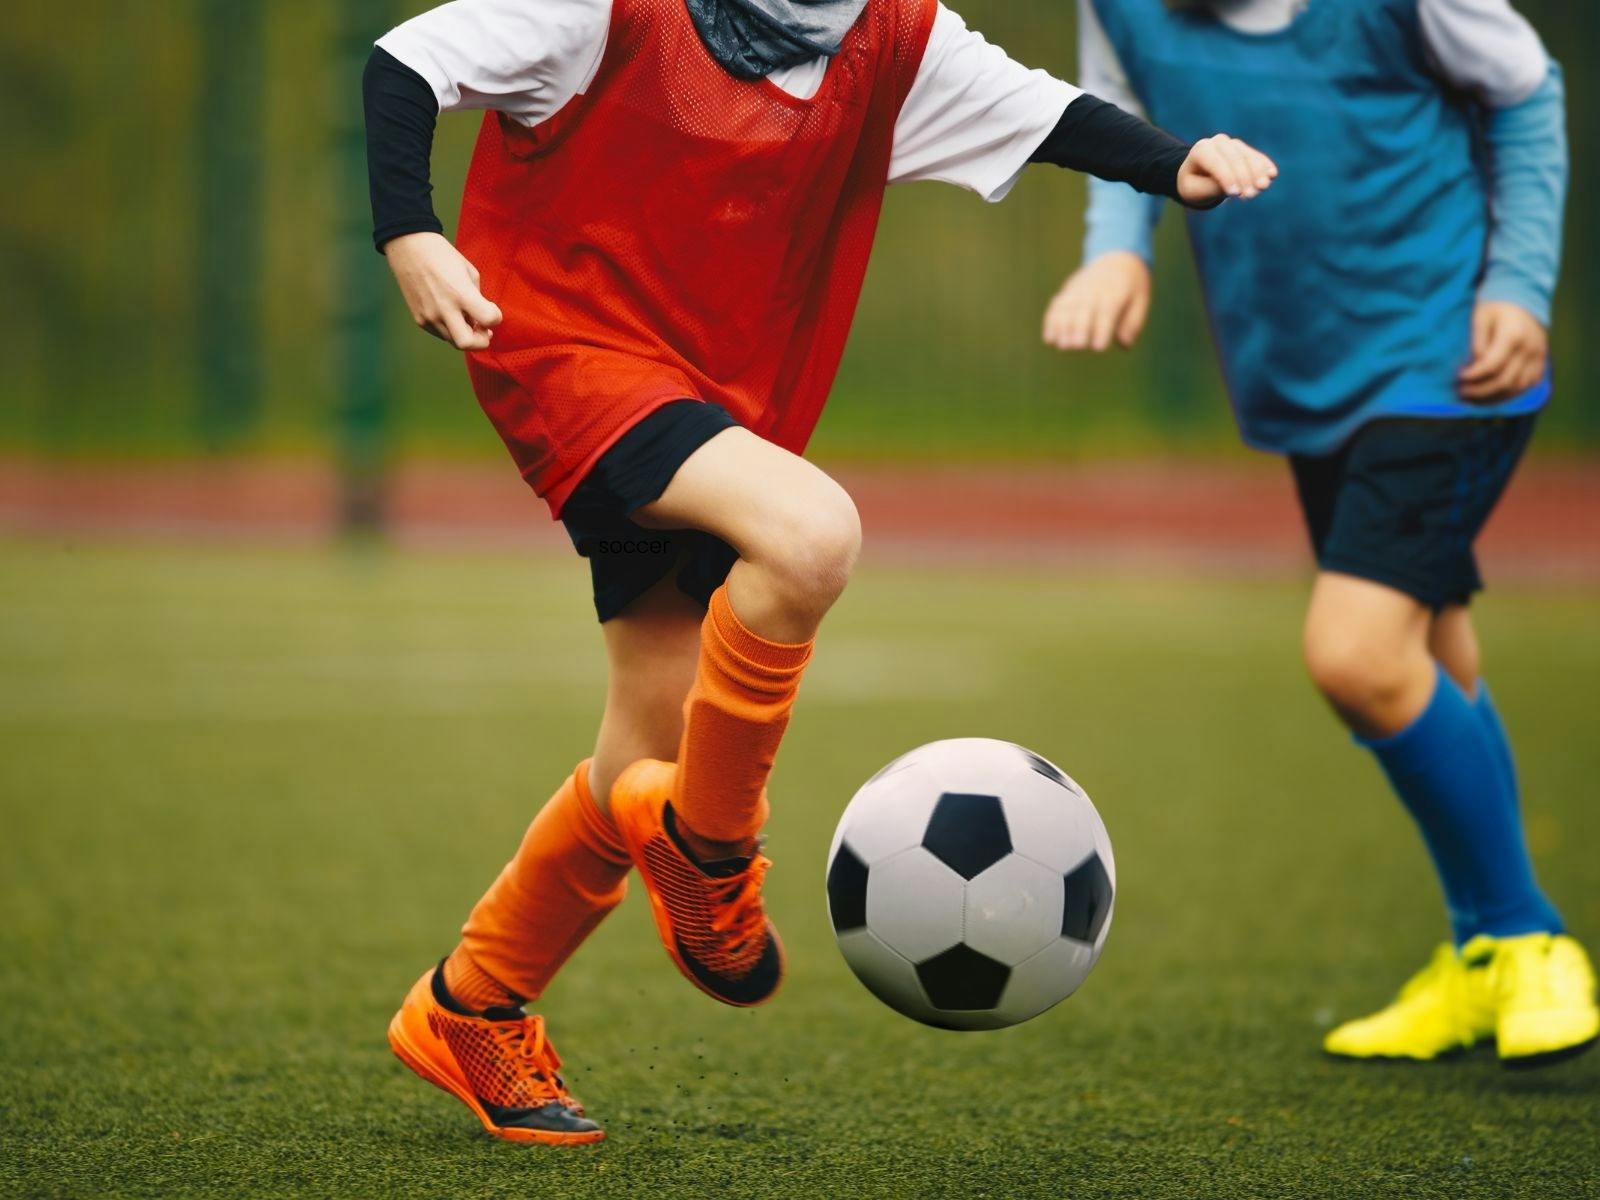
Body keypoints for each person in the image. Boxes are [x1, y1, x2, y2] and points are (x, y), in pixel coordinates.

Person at [363, 0, 1276, 1143]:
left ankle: (471, 1002)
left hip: (717, 396)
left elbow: (1045, 113)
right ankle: (710, 852)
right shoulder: (606, 10)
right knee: (809, 536)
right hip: (568, 349)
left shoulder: (891, 37)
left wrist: (1172, 163)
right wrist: (410, 230)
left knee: (642, 754)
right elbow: (408, 60)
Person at [1043, 0, 1595, 1067]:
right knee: (1430, 649)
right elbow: (1117, 113)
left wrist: (1522, 288)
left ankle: (1528, 937)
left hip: (1446, 360)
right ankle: (1482, 955)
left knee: (1357, 654)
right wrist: (1118, 250)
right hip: (1304, 373)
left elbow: (1531, 91)